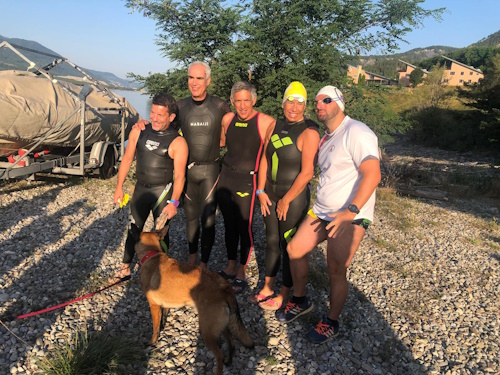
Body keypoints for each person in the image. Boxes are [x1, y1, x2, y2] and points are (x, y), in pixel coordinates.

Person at [278, 86, 381, 344]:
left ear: (340, 103)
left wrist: (350, 212)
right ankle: (300, 301)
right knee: (295, 250)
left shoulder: (357, 131)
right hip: (322, 211)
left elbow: (373, 174)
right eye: (317, 102)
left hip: (349, 215)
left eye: (325, 100)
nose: (319, 105)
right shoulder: (327, 137)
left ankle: (331, 321)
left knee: (335, 268)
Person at [252, 82, 320, 309]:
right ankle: (268, 285)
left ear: (305, 106)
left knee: (288, 243)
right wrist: (261, 190)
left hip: (293, 196)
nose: (294, 107)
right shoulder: (274, 125)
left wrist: (286, 199)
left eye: (300, 102)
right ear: (283, 103)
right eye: (290, 101)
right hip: (270, 193)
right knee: (271, 240)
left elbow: (307, 172)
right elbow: (264, 158)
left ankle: (284, 293)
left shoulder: (309, 133)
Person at [111, 93, 188, 281]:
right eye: (152, 112)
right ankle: (126, 268)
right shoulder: (139, 131)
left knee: (160, 233)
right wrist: (119, 187)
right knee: (133, 229)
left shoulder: (178, 142)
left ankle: (162, 272)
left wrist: (174, 203)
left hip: (162, 192)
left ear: (171, 117)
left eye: (160, 115)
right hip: (141, 189)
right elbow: (127, 158)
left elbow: (179, 176)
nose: (154, 118)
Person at [216, 81, 275, 293]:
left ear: (254, 100)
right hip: (226, 178)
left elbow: (272, 154)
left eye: (246, 101)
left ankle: (241, 269)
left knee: (244, 226)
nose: (242, 106)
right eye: (238, 101)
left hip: (248, 181)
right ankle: (231, 263)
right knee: (228, 224)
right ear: (232, 101)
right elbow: (221, 143)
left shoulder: (265, 122)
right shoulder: (227, 119)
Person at [177, 61, 231, 268]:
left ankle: (204, 264)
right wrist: (143, 124)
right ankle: (192, 258)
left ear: (208, 81)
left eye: (199, 78)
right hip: (189, 169)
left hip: (210, 169)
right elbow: (165, 130)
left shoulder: (219, 106)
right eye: (191, 77)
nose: (194, 82)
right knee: (190, 217)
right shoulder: (181, 106)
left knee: (208, 219)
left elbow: (236, 129)